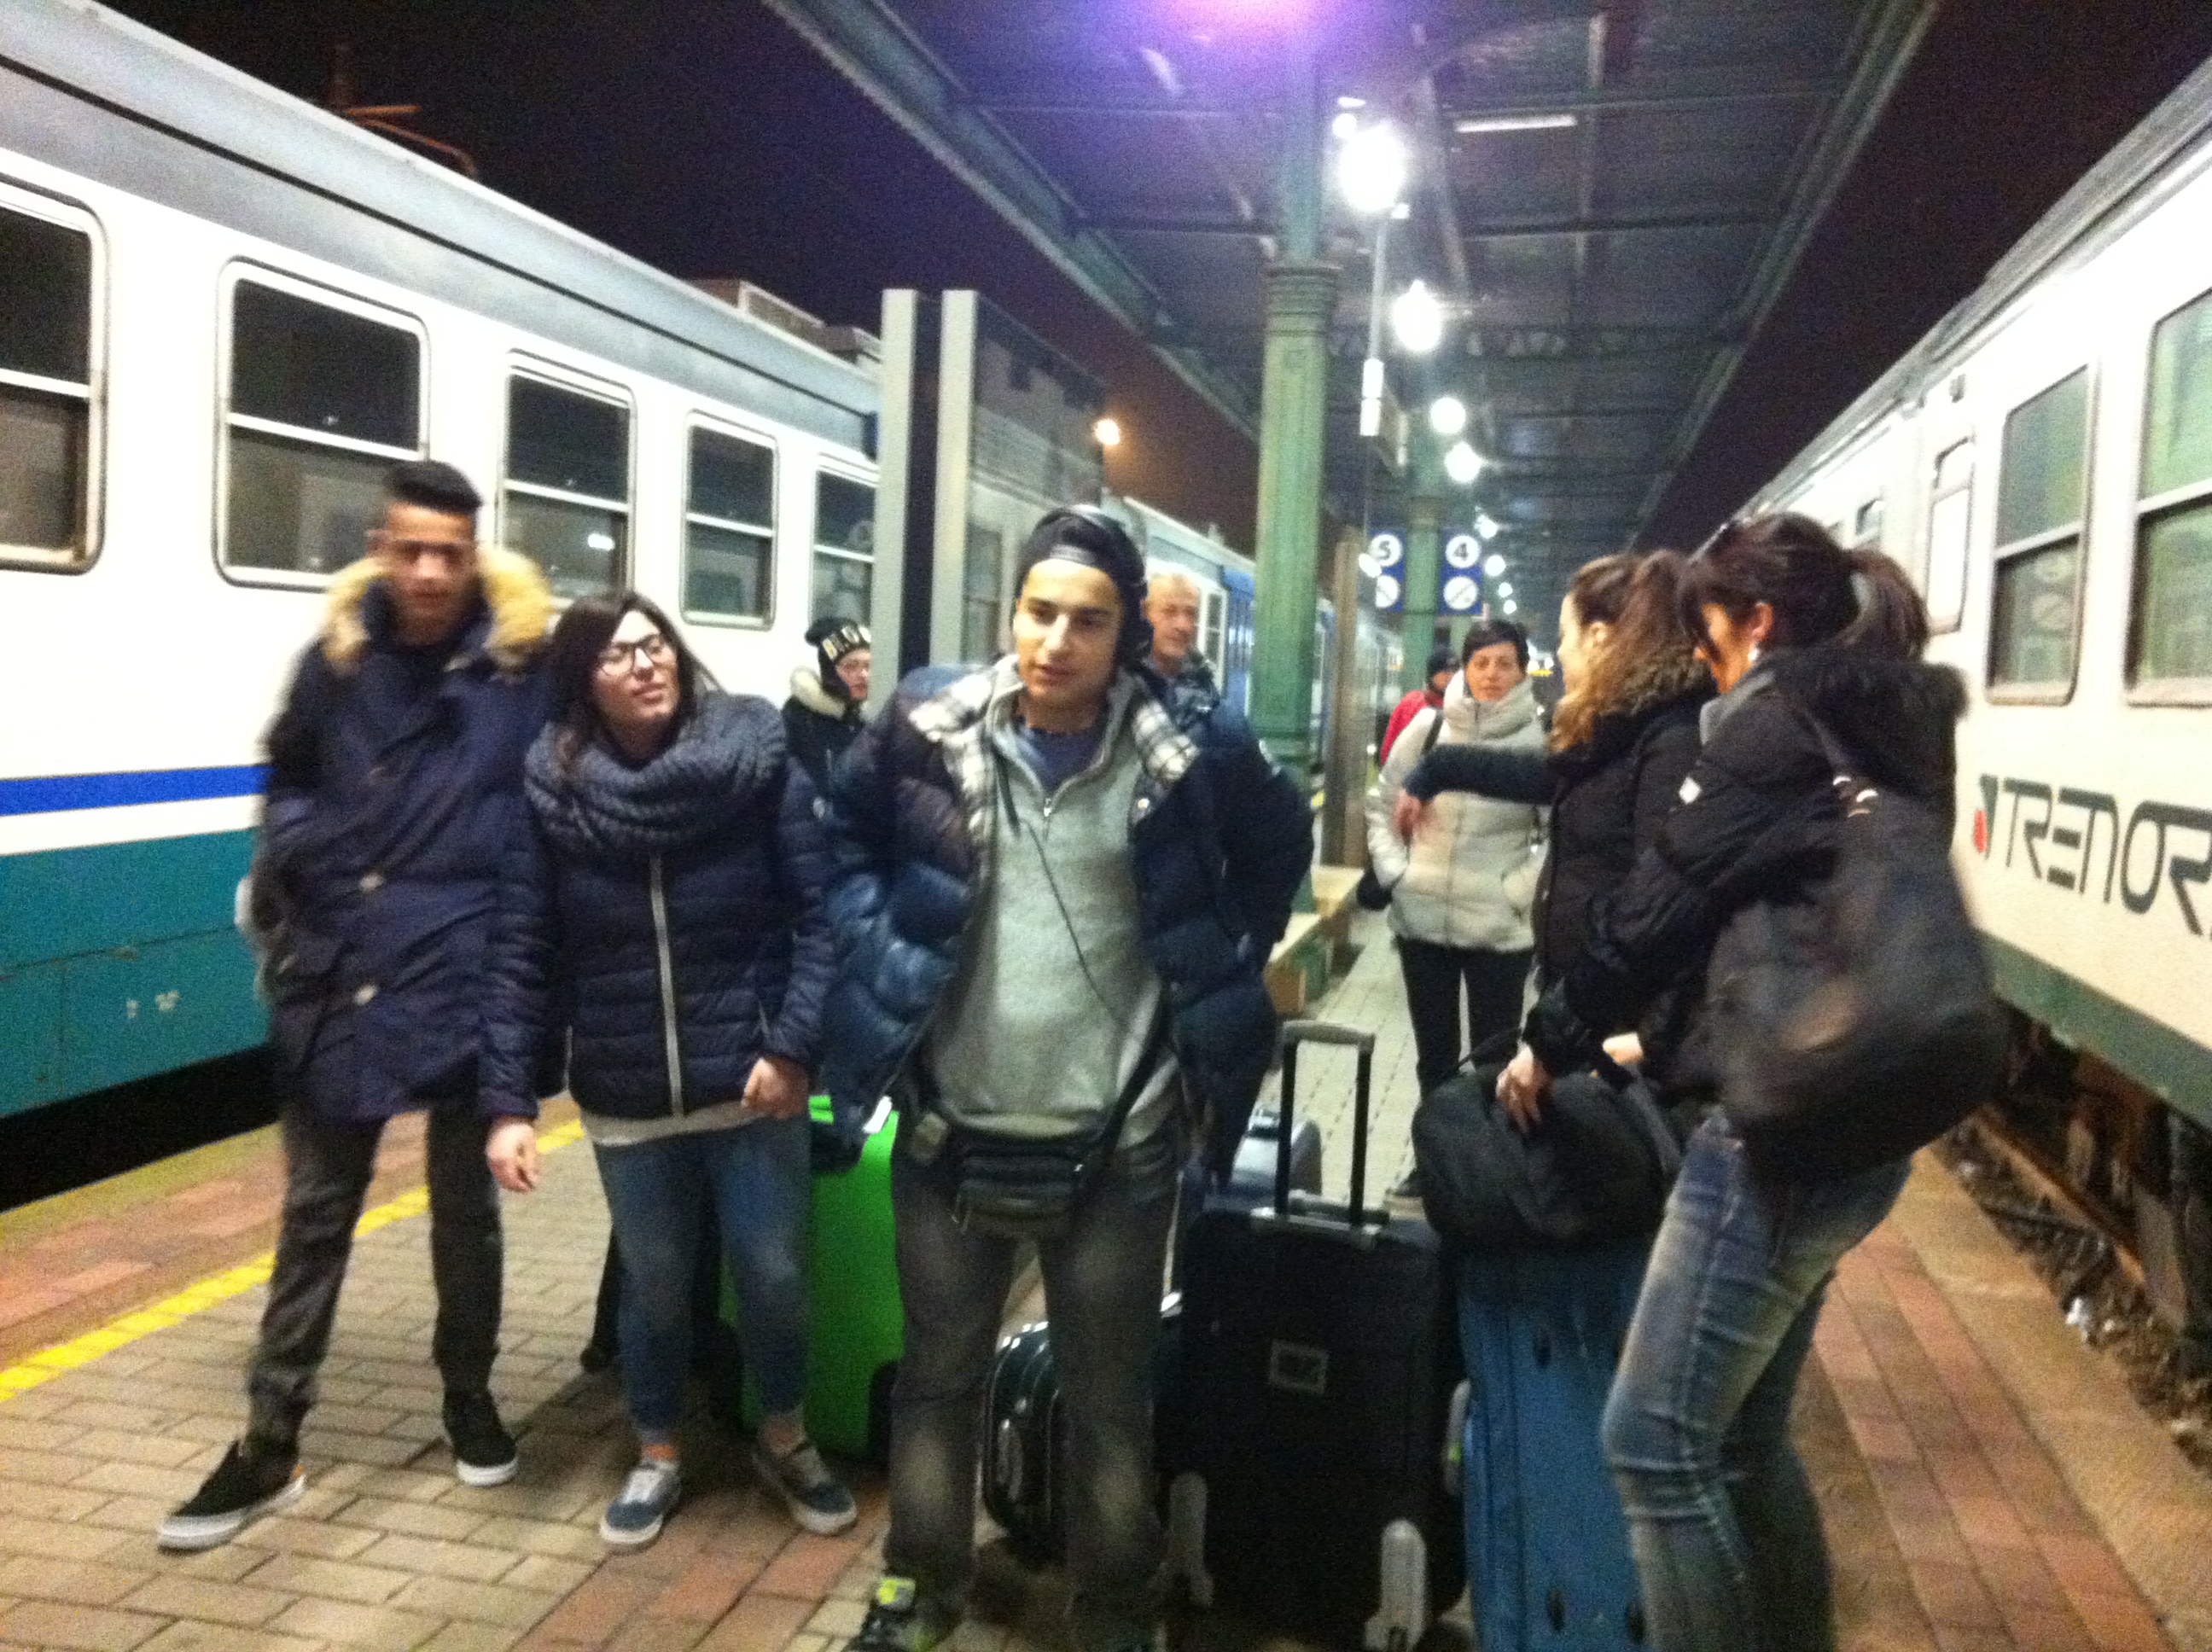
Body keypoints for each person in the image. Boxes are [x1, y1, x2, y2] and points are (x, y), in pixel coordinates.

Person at [823, 505, 1310, 1652]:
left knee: (1108, 1401)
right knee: (937, 1380)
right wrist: (872, 937)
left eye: (1087, 620)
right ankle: (922, 1584)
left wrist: (1224, 957)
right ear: (1012, 614)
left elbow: (1279, 844)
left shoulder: (1190, 748)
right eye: (1039, 612)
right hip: (949, 1126)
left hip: (1120, 1140)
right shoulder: (927, 723)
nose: (1056, 640)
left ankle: (1115, 1612)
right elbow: (837, 836)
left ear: (1124, 632)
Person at [1498, 514, 1962, 1652]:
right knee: (1744, 1445)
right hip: (1866, 1121)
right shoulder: (1886, 722)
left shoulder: (1774, 724)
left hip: (1782, 1128)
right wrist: (1661, 1042)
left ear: (1756, 622)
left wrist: (1548, 1040)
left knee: (1653, 1446)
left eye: (1710, 640)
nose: (1707, 665)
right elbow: (1787, 915)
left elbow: (1657, 909)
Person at [160, 461, 551, 1551]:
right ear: (380, 546)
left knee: (464, 1214)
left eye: (449, 553)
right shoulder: (334, 662)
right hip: (342, 974)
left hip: (467, 974)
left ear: (476, 556)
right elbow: (286, 772)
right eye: (410, 548)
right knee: (315, 1216)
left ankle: (468, 1394)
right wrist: (305, 857)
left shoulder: (521, 669)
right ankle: (270, 1439)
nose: (428, 571)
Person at [478, 593, 853, 1549]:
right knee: (655, 1285)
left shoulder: (752, 760)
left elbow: (820, 919)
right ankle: (657, 1449)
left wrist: (793, 1048)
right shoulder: (555, 792)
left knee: (772, 1276)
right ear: (583, 681)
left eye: (654, 646)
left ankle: (784, 1433)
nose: (645, 664)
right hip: (627, 1093)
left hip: (753, 1085)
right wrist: (508, 1104)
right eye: (617, 655)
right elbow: (521, 948)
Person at [1393, 553, 1709, 1085]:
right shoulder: (1621, 730)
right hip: (1590, 1009)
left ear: (1599, 638)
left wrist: (1557, 1031)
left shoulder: (1668, 741)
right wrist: (1438, 767)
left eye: (1565, 636)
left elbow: (1653, 909)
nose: (1559, 652)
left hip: (1614, 1029)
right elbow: (1542, 775)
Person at [1365, 619, 1546, 1101]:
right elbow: (1382, 803)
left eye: (1505, 663)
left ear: (1523, 671)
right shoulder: (1429, 729)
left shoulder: (1541, 742)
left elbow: (1560, 832)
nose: (1491, 674)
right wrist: (1398, 874)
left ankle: (1488, 1149)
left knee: (1495, 1064)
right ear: (1464, 668)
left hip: (1498, 931)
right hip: (1422, 921)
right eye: (1480, 663)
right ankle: (1434, 1147)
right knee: (1434, 1063)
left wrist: (1516, 891)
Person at [784, 617, 871, 795]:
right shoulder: (798, 717)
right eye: (851, 666)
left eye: (868, 665)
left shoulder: (871, 718)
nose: (863, 674)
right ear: (829, 670)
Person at [1143, 565, 1220, 724]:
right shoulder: (1119, 685)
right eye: (1169, 611)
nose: (1183, 626)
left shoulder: (1205, 683)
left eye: (1190, 613)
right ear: (1145, 614)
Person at [1380, 644, 1457, 764]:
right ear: (1432, 674)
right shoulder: (1412, 703)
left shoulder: (1458, 706)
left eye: (1454, 672)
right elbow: (1391, 743)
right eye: (1445, 671)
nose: (1450, 676)